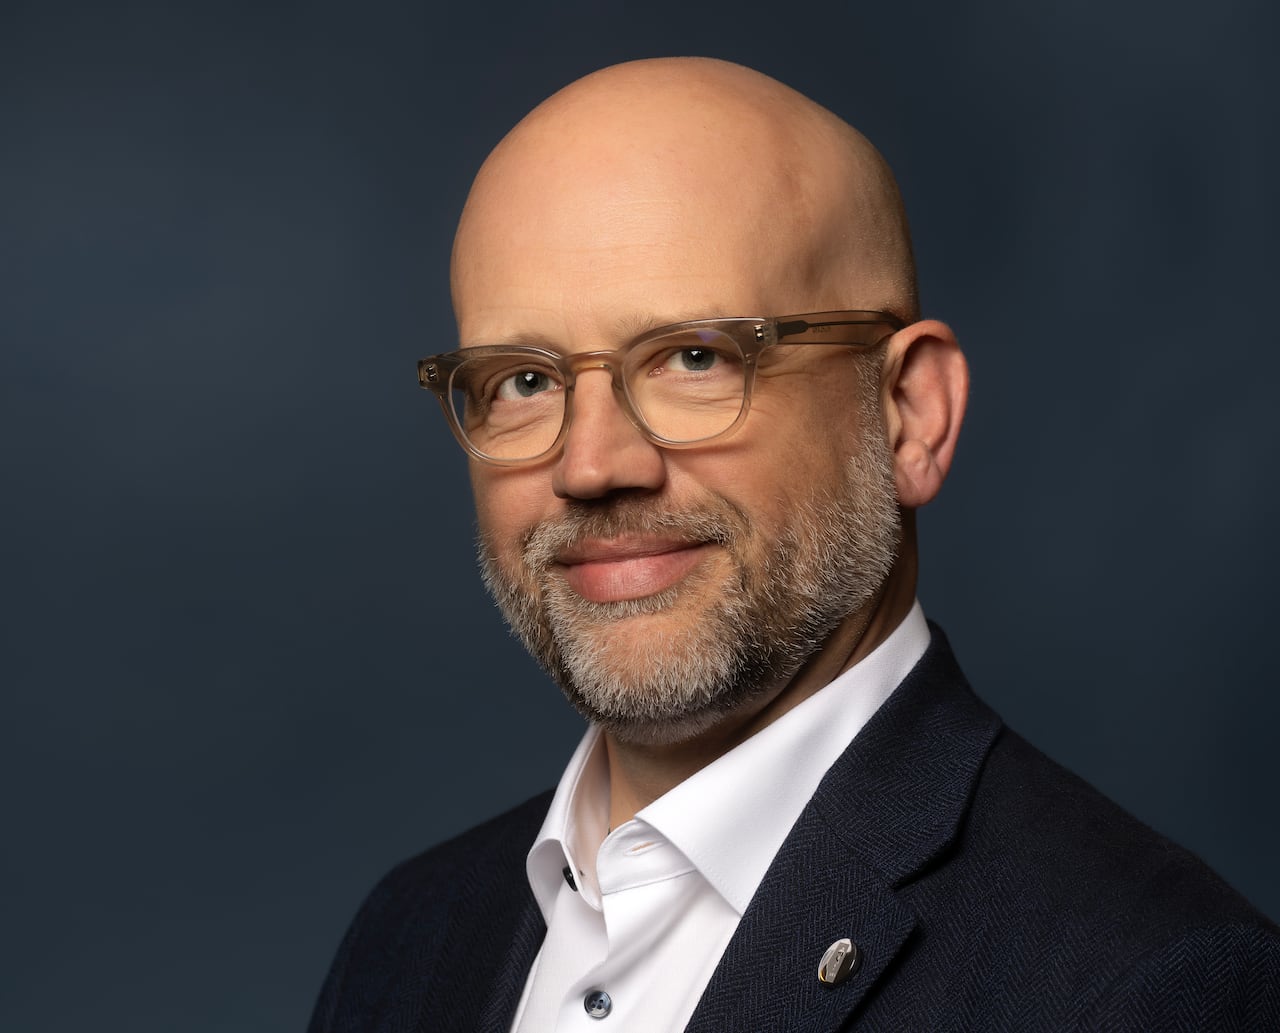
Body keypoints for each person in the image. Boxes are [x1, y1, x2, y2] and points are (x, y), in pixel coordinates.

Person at [308, 58, 1279, 1032]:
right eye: (522, 380)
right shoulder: (412, 937)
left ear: (907, 416)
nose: (593, 464)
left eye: (694, 357)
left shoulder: (1149, 985)